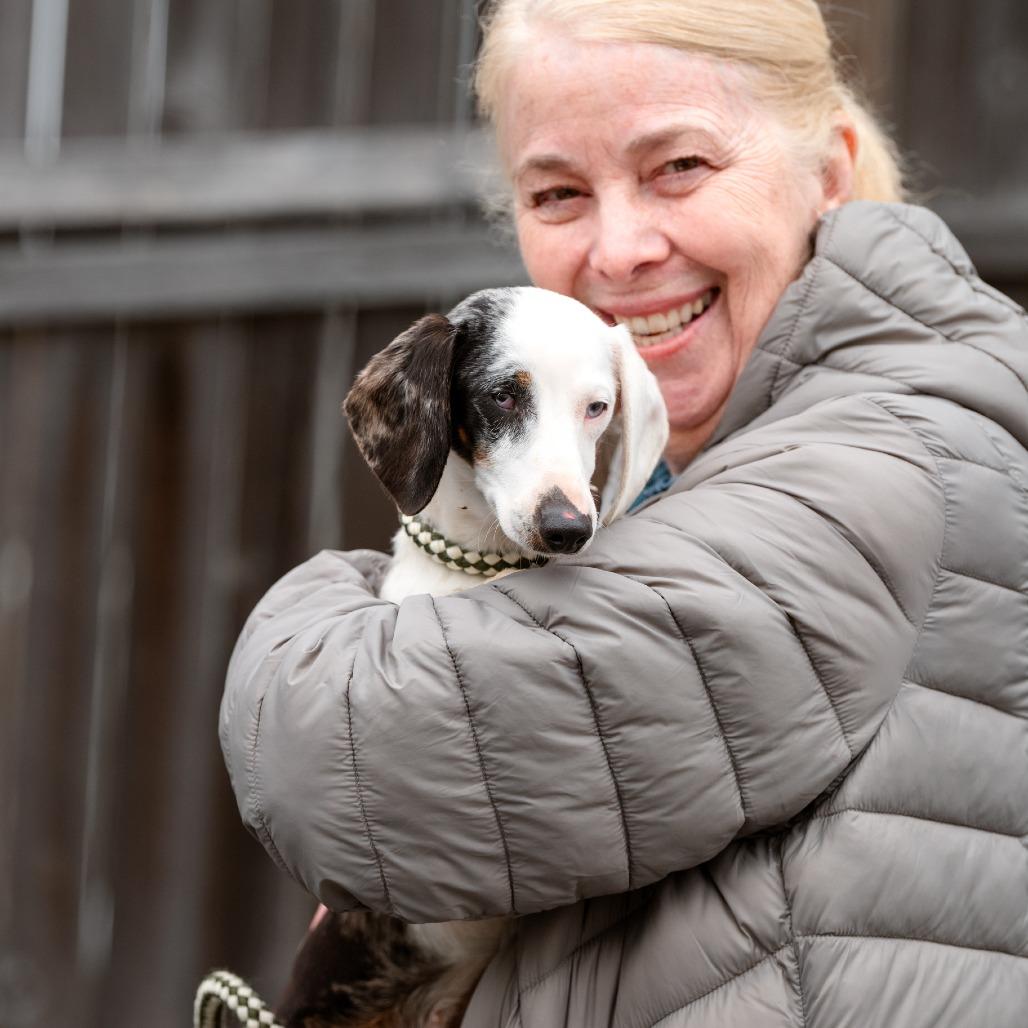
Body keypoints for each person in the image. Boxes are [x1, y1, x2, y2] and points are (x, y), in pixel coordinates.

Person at [220, 1, 1028, 1025]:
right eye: (557, 190)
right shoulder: (709, 456)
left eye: (678, 166)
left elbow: (354, 756)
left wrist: (332, 603)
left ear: (825, 171)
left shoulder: (893, 452)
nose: (618, 249)